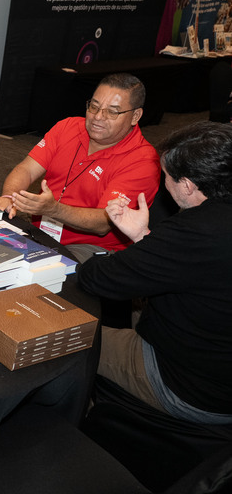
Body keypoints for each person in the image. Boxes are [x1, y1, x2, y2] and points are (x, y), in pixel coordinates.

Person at [77, 121, 232, 423]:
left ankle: (79, 427)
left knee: (69, 342)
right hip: (217, 361)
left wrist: (147, 245)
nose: (164, 185)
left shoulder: (194, 231)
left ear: (187, 185)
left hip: (192, 387)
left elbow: (98, 279)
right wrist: (144, 237)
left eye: (167, 177)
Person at [0, 73, 160, 260]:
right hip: (41, 230)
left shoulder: (142, 161)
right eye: (94, 106)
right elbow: (27, 169)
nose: (98, 117)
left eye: (112, 112)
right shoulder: (68, 127)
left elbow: (103, 223)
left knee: (36, 269)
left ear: (135, 116)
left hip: (90, 247)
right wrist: (9, 196)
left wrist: (54, 209)